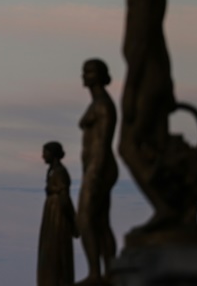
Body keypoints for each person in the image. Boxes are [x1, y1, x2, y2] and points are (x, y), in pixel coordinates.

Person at [113, 0, 177, 231]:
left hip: (146, 74)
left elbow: (141, 39)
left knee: (128, 144)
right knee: (154, 143)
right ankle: (170, 209)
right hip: (156, 72)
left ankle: (165, 208)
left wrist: (130, 88)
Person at [76, 59, 118, 285]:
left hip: (99, 167)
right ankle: (108, 271)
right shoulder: (98, 103)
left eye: (89, 71)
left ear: (99, 76)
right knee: (100, 221)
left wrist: (93, 173)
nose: (84, 75)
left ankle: (96, 273)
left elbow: (102, 144)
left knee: (85, 219)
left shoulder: (103, 105)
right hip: (95, 167)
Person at [38, 141, 78, 286]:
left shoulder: (60, 172)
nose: (42, 156)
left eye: (45, 152)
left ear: (52, 154)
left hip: (57, 215)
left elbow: (65, 198)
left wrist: (73, 220)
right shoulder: (53, 171)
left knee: (57, 251)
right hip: (52, 213)